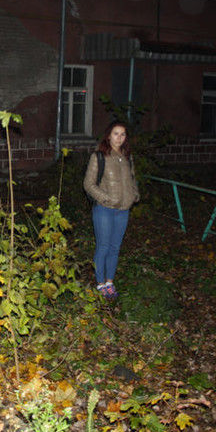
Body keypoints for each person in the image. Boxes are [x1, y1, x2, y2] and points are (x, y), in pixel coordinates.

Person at [83, 121, 139, 299]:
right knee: (104, 246)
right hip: (104, 210)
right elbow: (88, 184)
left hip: (123, 209)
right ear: (109, 135)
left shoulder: (127, 156)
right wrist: (105, 198)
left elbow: (133, 178)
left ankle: (110, 282)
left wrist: (135, 195)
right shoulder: (99, 156)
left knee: (115, 247)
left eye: (123, 134)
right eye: (116, 133)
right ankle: (100, 284)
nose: (119, 138)